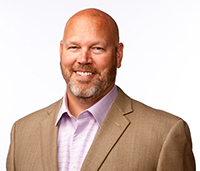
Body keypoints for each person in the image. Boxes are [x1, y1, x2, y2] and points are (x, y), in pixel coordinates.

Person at [6, 8, 195, 171]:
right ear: (61, 51)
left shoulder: (165, 134)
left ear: (118, 55)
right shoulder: (22, 133)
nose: (83, 59)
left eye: (97, 48)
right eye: (74, 47)